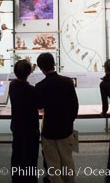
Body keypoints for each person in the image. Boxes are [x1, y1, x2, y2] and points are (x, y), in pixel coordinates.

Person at [35, 52, 79, 183]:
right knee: (67, 160)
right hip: (66, 128)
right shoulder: (67, 82)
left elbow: (40, 106)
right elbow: (74, 106)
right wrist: (69, 122)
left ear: (40, 67)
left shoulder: (40, 86)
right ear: (54, 63)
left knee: (53, 166)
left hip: (49, 129)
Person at [9, 59, 39, 183]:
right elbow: (39, 105)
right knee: (30, 156)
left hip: (17, 126)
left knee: (17, 154)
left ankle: (16, 178)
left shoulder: (12, 85)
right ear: (29, 73)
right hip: (31, 128)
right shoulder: (32, 90)